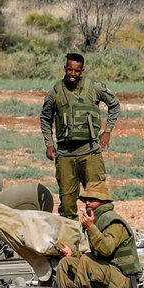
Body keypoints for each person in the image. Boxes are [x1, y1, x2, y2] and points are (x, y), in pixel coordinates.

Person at [45, 182, 141, 288]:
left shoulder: (113, 222)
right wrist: (71, 255)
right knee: (67, 263)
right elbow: (96, 254)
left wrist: (90, 227)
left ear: (104, 201)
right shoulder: (98, 219)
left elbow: (105, 249)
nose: (87, 203)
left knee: (86, 260)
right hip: (107, 274)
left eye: (92, 199)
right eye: (85, 200)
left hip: (123, 280)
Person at [39, 52, 120, 219]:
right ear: (65, 69)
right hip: (65, 156)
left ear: (82, 71)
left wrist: (107, 131)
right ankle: (71, 242)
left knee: (98, 201)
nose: (73, 74)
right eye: (70, 70)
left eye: (76, 71)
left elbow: (115, 105)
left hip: (91, 153)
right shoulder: (55, 92)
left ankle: (100, 239)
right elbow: (45, 117)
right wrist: (49, 143)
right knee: (67, 205)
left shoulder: (95, 88)